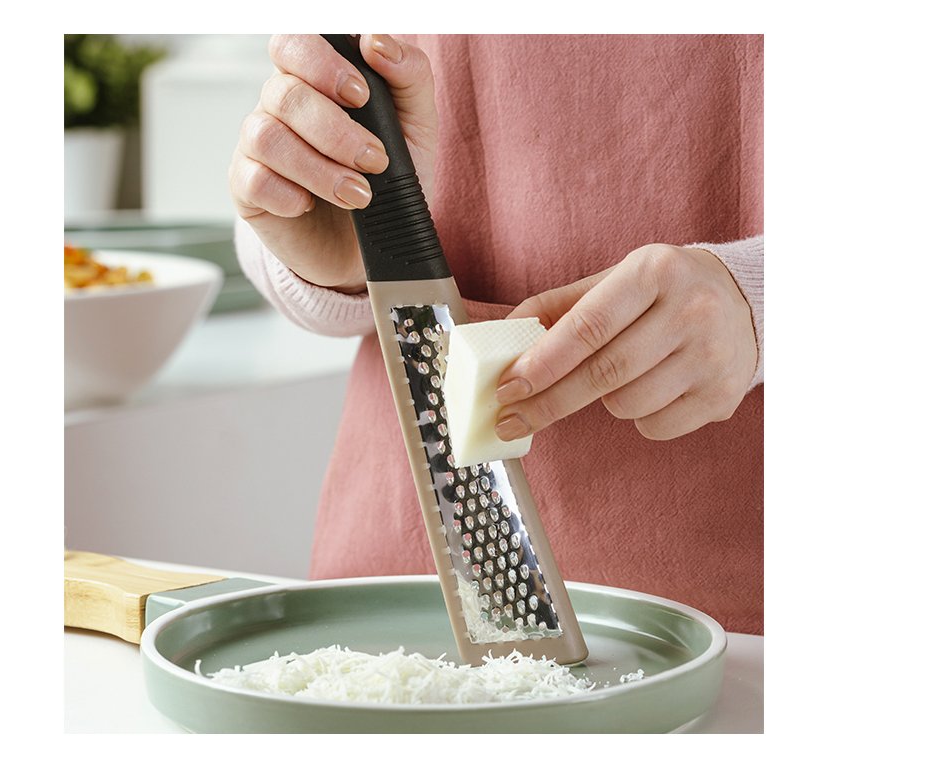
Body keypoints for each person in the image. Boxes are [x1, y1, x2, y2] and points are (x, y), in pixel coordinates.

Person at [230, 34, 764, 635]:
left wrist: (756, 299)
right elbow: (282, 166)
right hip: (399, 558)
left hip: (731, 596)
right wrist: (335, 260)